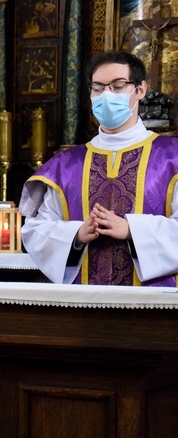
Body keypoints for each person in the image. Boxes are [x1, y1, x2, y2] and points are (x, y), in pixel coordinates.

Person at [20, 50, 178, 286]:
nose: (106, 95)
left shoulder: (171, 158)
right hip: (84, 306)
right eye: (98, 87)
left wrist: (133, 230)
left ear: (140, 90)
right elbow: (36, 231)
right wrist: (76, 234)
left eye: (117, 86)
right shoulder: (65, 166)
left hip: (153, 308)